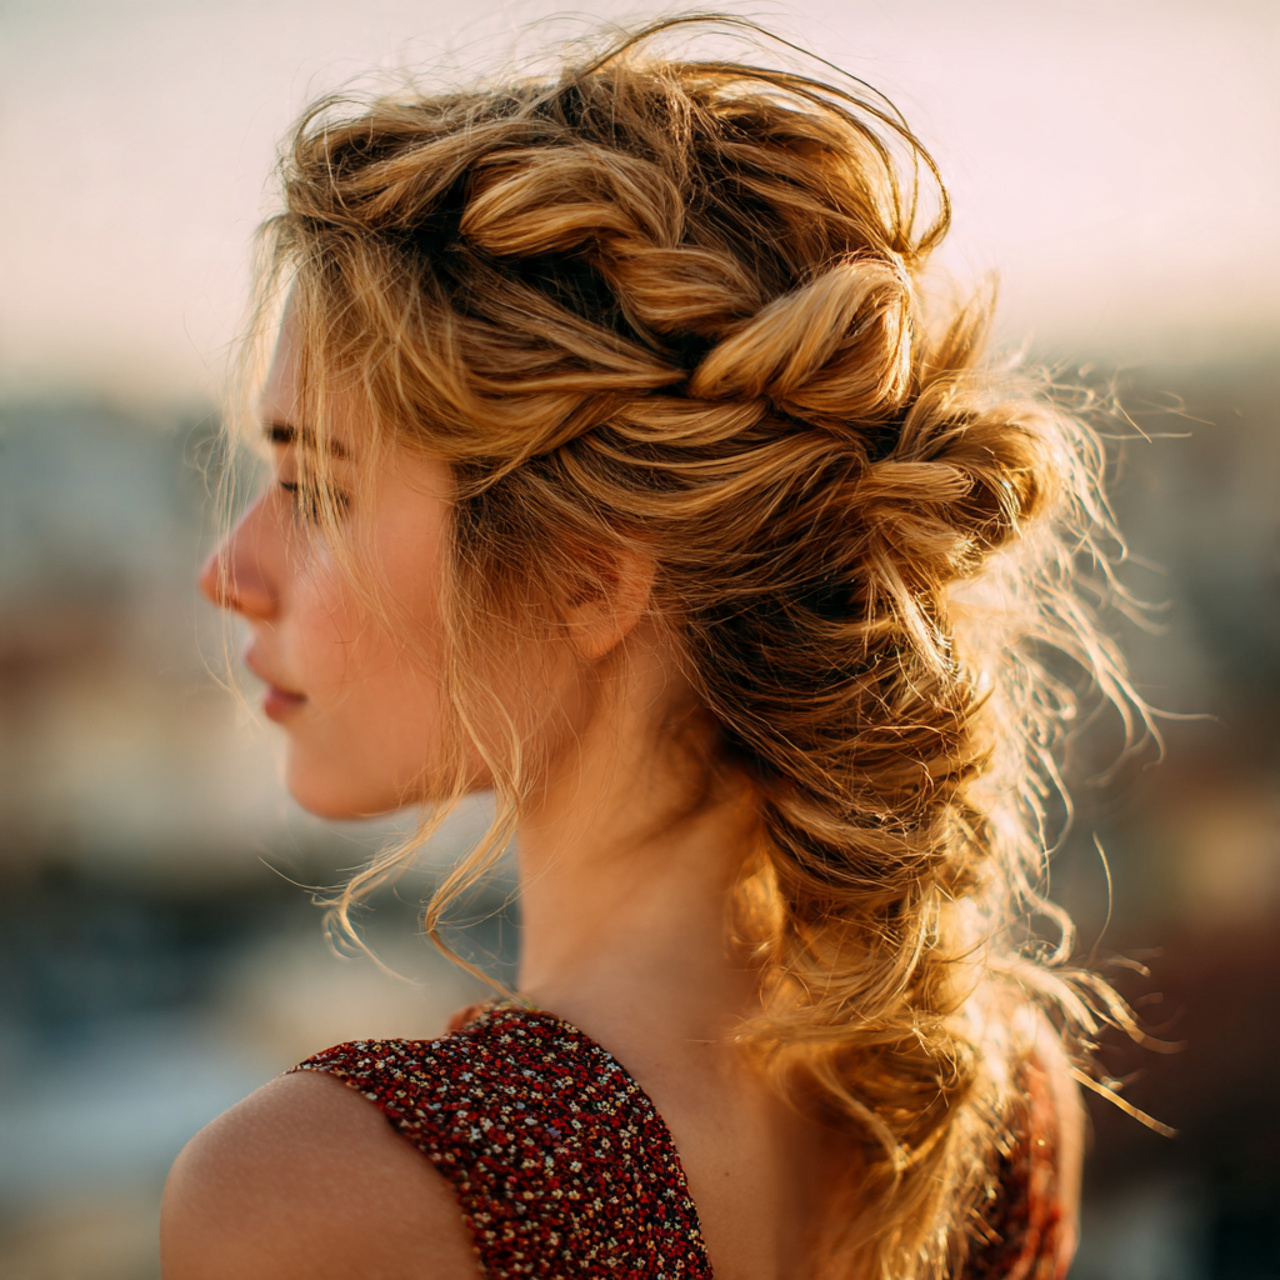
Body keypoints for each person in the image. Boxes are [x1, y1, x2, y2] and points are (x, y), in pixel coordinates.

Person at [160, 16, 1141, 1278]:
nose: (229, 570)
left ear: (587, 576)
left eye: (319, 487)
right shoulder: (1000, 1098)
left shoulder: (319, 1198)